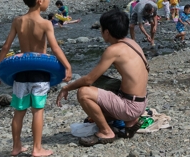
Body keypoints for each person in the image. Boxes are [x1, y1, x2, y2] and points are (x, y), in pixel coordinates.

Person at [0, 0, 72, 157]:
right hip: (40, 73)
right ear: (40, 0)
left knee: (19, 111)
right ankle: (37, 148)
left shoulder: (18, 21)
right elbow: (55, 48)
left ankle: (16, 147)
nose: (48, 0)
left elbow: (6, 47)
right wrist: (67, 66)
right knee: (37, 110)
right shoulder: (45, 24)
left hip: (20, 73)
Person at [57, 9, 150, 147]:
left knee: (83, 92)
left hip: (130, 107)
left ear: (106, 32)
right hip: (142, 102)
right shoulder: (132, 43)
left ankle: (106, 132)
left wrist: (66, 87)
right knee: (102, 82)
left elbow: (88, 79)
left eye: (101, 28)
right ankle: (130, 123)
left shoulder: (113, 50)